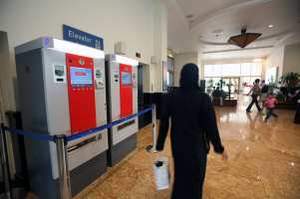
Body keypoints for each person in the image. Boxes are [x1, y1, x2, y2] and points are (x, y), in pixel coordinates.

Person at [156, 63, 228, 199]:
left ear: (181, 77)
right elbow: (211, 127)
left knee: (181, 175)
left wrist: (160, 145)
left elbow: (164, 122)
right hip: (197, 147)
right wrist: (219, 148)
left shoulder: (171, 96)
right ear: (196, 77)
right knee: (196, 179)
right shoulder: (203, 98)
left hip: (178, 145)